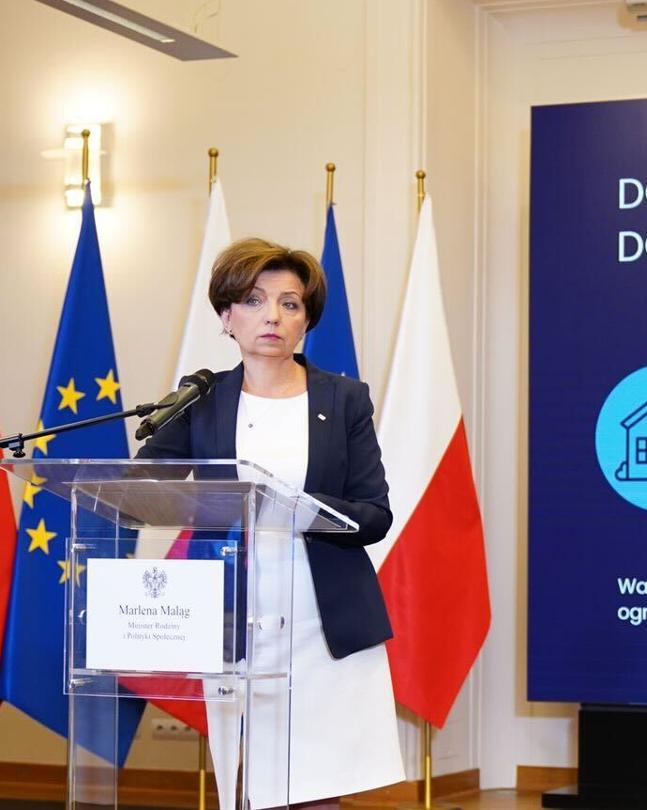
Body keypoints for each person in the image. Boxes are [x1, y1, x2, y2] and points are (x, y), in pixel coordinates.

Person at [137, 237, 401, 809]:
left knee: (318, 786)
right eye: (254, 301)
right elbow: (144, 486)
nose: (273, 316)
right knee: (249, 784)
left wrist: (297, 509)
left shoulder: (344, 399)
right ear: (226, 316)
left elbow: (374, 513)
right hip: (233, 616)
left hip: (320, 621)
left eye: (290, 303)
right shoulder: (202, 400)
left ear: (306, 320)